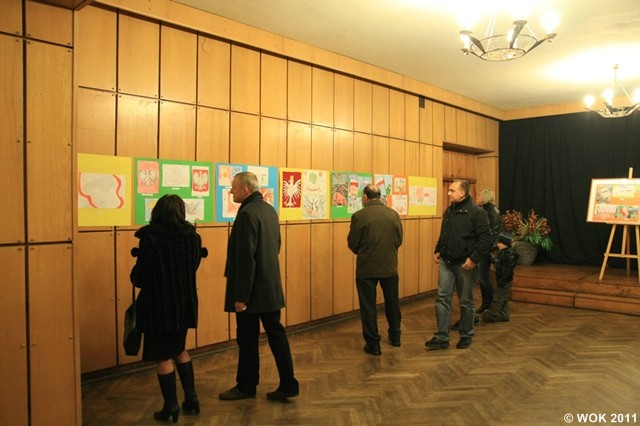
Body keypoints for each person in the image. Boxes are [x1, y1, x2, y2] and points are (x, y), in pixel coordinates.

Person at [219, 172, 299, 401]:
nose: (231, 191)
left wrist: (241, 296)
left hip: (252, 291)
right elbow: (276, 246)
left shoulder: (247, 214)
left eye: (234, 187)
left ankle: (246, 386)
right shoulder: (268, 210)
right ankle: (289, 383)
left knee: (247, 340)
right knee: (276, 336)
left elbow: (246, 259)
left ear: (245, 190)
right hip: (269, 287)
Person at [130, 194, 207, 423]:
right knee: (179, 348)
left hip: (159, 307)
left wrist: (134, 273)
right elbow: (193, 266)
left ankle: (170, 406)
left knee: (162, 355)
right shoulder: (192, 237)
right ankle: (192, 399)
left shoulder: (151, 238)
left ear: (157, 212)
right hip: (184, 304)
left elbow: (141, 277)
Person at [425, 180, 491, 350]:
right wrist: (438, 249)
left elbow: (486, 240)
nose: (448, 193)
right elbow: (445, 234)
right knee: (442, 298)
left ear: (462, 193)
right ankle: (441, 337)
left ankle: (466, 334)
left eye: (452, 191)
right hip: (446, 262)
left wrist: (473, 259)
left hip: (465, 264)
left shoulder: (478, 213)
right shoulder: (449, 211)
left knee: (466, 301)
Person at [347, 184, 404, 356]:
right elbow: (399, 240)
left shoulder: (359, 216)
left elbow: (353, 243)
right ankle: (395, 337)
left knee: (368, 306)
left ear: (365, 197)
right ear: (379, 196)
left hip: (367, 268)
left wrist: (364, 251)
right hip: (390, 266)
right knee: (392, 303)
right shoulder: (393, 214)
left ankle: (373, 344)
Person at [451, 187, 501, 330]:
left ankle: (488, 304)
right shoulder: (484, 210)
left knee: (483, 278)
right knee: (482, 278)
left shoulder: (491, 211)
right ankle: (486, 304)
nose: (477, 197)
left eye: (479, 195)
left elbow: (490, 232)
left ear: (485, 197)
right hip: (482, 249)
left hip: (486, 250)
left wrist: (486, 248)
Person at [482, 233, 519, 323]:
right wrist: (491, 258)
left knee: (497, 298)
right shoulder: (503, 253)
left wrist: (503, 279)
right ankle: (504, 315)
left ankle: (491, 315)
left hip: (504, 280)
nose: (497, 244)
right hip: (501, 279)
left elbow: (506, 269)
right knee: (503, 298)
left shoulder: (509, 254)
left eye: (499, 243)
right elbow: (498, 263)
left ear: (505, 244)